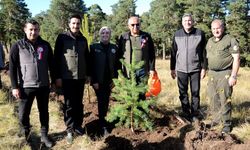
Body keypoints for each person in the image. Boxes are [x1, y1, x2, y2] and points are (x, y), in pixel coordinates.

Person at [9, 19, 55, 148]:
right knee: (23, 114)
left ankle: (44, 136)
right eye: (30, 29)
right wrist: (14, 87)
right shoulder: (17, 46)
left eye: (36, 29)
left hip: (43, 86)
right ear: (25, 30)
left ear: (39, 30)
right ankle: (27, 136)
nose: (33, 32)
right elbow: (12, 68)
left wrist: (54, 82)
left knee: (44, 112)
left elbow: (52, 65)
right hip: (25, 87)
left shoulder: (45, 45)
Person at [54, 14, 90, 144]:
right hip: (66, 77)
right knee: (69, 104)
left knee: (79, 103)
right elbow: (56, 58)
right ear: (69, 24)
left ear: (80, 25)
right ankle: (69, 129)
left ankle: (78, 126)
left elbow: (87, 57)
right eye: (73, 23)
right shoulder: (62, 38)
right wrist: (57, 77)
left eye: (78, 23)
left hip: (80, 78)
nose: (76, 26)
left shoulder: (83, 39)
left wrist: (88, 75)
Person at [170, 13, 207, 122]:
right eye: (185, 21)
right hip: (181, 69)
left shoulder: (200, 33)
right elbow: (173, 52)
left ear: (193, 21)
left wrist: (204, 68)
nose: (188, 22)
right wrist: (172, 68)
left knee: (195, 92)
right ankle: (185, 112)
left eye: (189, 20)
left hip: (195, 69)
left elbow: (204, 52)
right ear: (182, 22)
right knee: (183, 92)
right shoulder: (177, 34)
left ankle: (195, 114)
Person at [206, 19, 240, 134]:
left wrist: (234, 76)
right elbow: (207, 57)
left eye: (218, 28)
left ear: (223, 28)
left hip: (225, 74)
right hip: (212, 74)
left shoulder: (230, 40)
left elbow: (236, 59)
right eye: (214, 28)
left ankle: (226, 124)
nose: (216, 30)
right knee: (213, 99)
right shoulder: (210, 41)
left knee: (224, 99)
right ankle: (216, 120)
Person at [90, 26, 120, 135]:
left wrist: (115, 80)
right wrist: (94, 81)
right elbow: (91, 65)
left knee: (106, 101)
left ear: (110, 35)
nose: (105, 35)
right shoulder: (94, 47)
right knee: (101, 101)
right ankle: (102, 125)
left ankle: (104, 120)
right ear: (100, 35)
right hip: (98, 81)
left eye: (107, 33)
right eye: (103, 33)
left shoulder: (114, 48)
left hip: (109, 81)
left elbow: (117, 65)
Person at [118, 16, 155, 88]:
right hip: (129, 70)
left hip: (143, 70)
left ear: (140, 25)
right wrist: (120, 71)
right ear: (128, 26)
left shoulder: (146, 36)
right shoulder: (123, 37)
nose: (135, 26)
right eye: (132, 25)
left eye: (137, 24)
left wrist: (152, 69)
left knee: (142, 92)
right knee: (130, 93)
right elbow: (119, 55)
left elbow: (152, 53)